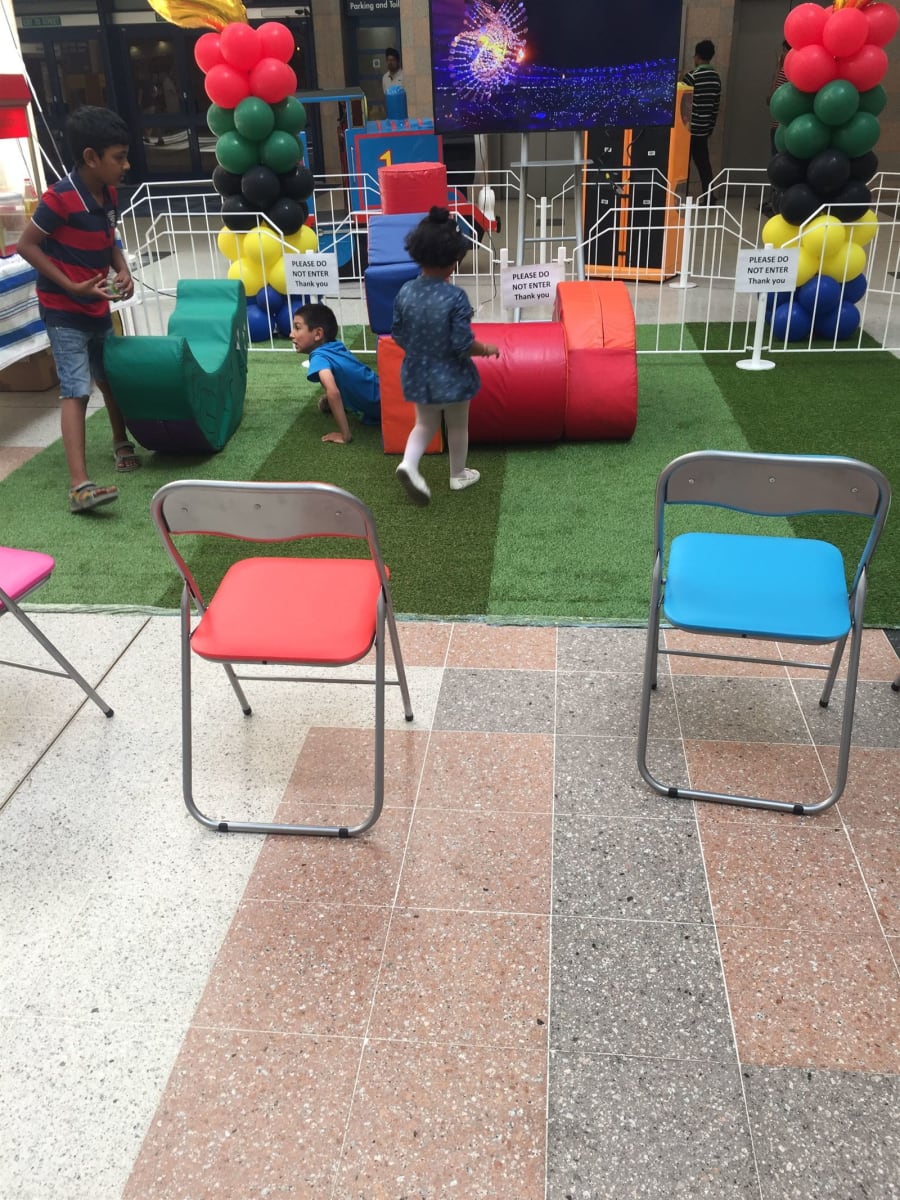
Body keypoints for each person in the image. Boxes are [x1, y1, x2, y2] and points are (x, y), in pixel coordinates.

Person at [17, 105, 136, 514]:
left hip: (97, 306)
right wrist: (69, 285)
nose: (126, 165)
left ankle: (121, 442)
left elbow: (109, 239)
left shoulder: (109, 194)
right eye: (119, 157)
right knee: (76, 388)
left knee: (110, 377)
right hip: (63, 311)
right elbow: (26, 245)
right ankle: (79, 486)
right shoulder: (59, 198)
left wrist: (123, 269)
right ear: (91, 157)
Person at [392, 207, 499, 505]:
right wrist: (486, 349)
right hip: (453, 376)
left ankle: (409, 464)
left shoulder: (405, 291)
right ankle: (458, 474)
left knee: (424, 424)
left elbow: (398, 333)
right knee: (457, 424)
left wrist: (419, 351)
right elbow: (462, 343)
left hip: (418, 373)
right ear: (454, 261)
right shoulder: (455, 297)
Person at [289, 302, 380, 444]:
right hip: (385, 390)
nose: (291, 334)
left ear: (318, 334)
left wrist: (345, 435)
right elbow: (347, 374)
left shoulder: (319, 357)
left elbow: (333, 392)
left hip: (384, 406)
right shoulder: (336, 346)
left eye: (297, 328)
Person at [682, 39, 722, 202]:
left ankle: (681, 197)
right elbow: (715, 106)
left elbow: (682, 104)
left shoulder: (692, 77)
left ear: (697, 56)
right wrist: (710, 127)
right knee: (704, 164)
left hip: (688, 128)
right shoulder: (716, 78)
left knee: (683, 165)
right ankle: (709, 196)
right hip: (704, 128)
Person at [763, 41, 790, 216]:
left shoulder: (784, 71)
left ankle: (775, 201)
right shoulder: (798, 74)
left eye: (783, 50)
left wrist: (778, 69)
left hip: (778, 127)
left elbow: (770, 98)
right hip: (790, 128)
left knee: (777, 164)